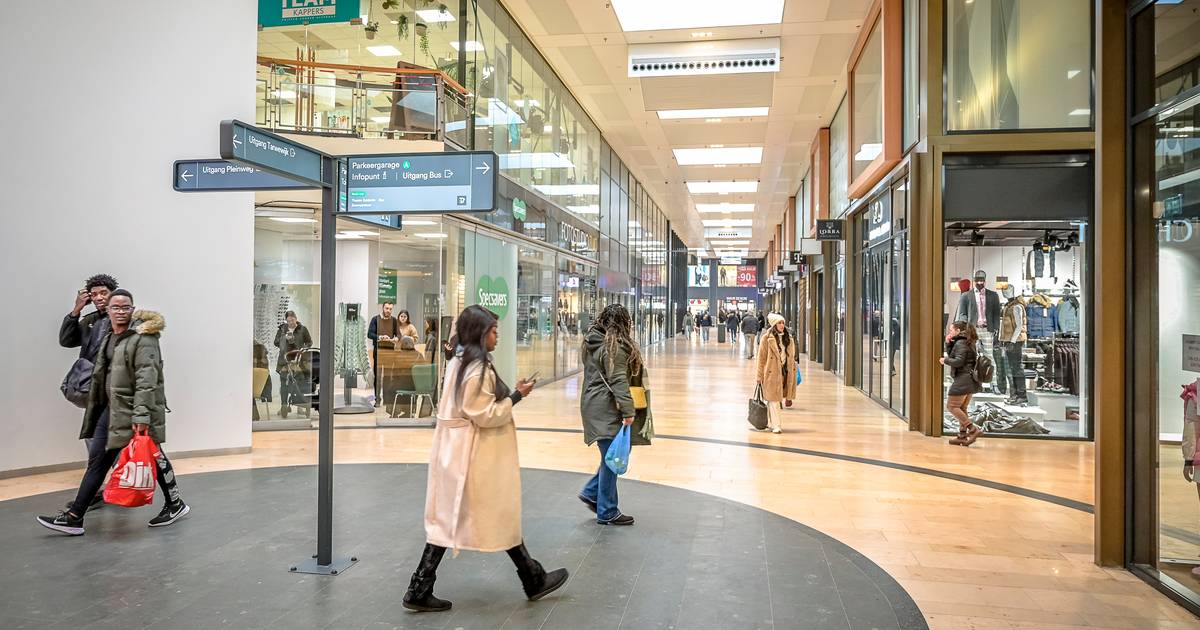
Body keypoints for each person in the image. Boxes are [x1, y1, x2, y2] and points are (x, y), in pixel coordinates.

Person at [403, 305, 568, 612]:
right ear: (480, 333)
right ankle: (532, 577)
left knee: (452, 517)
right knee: (489, 512)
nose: (497, 336)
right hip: (470, 455)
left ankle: (422, 586)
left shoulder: (461, 361)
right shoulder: (475, 369)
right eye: (493, 330)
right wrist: (516, 396)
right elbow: (485, 414)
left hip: (457, 451)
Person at [38, 290, 189, 535]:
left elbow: (146, 380)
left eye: (125, 307)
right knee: (101, 460)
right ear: (107, 311)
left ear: (132, 309)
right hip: (110, 409)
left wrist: (141, 416)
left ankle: (174, 504)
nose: (120, 311)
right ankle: (75, 517)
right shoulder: (110, 336)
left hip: (132, 411)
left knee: (150, 456)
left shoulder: (144, 338)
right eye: (115, 307)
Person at [579, 303, 652, 526]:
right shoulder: (614, 347)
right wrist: (628, 411)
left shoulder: (594, 342)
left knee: (611, 454)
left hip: (593, 404)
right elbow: (618, 380)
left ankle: (592, 491)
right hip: (606, 408)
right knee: (614, 457)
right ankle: (607, 510)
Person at [58, 273, 119, 513]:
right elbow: (66, 340)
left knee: (109, 443)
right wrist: (76, 311)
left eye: (103, 293)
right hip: (93, 390)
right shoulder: (90, 321)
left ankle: (103, 490)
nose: (99, 298)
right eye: (94, 294)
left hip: (113, 390)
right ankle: (99, 490)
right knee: (96, 441)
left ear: (113, 292)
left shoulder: (122, 319)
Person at [941, 321, 983, 446]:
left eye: (951, 330)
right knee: (962, 407)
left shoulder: (961, 342)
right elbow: (956, 355)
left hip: (963, 379)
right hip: (970, 380)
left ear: (958, 331)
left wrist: (945, 361)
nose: (950, 332)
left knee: (952, 406)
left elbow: (958, 361)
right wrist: (948, 343)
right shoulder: (967, 341)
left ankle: (973, 429)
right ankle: (962, 436)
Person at [756, 313, 798, 434]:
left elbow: (792, 356)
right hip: (771, 373)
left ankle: (770, 422)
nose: (782, 325)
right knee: (773, 399)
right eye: (779, 323)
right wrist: (759, 376)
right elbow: (761, 358)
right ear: (774, 324)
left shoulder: (788, 338)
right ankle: (776, 425)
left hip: (785, 373)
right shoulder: (766, 338)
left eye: (783, 323)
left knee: (772, 399)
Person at [274, 311, 313, 418]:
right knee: (284, 383)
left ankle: (300, 406)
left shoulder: (302, 329)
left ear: (296, 318)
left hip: (298, 361)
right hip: (284, 361)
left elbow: (309, 342)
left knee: (298, 383)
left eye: (292, 320)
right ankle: (284, 406)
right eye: (288, 320)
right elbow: (276, 342)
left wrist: (304, 349)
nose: (290, 322)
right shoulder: (282, 329)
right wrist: (284, 338)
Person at [368, 302, 399, 406]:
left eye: (390, 309)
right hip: (378, 350)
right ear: (383, 308)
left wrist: (396, 338)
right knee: (378, 376)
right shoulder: (375, 319)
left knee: (387, 376)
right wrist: (380, 337)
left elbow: (398, 334)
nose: (388, 311)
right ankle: (377, 400)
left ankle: (387, 399)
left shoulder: (394, 320)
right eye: (387, 308)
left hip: (390, 351)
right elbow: (369, 334)